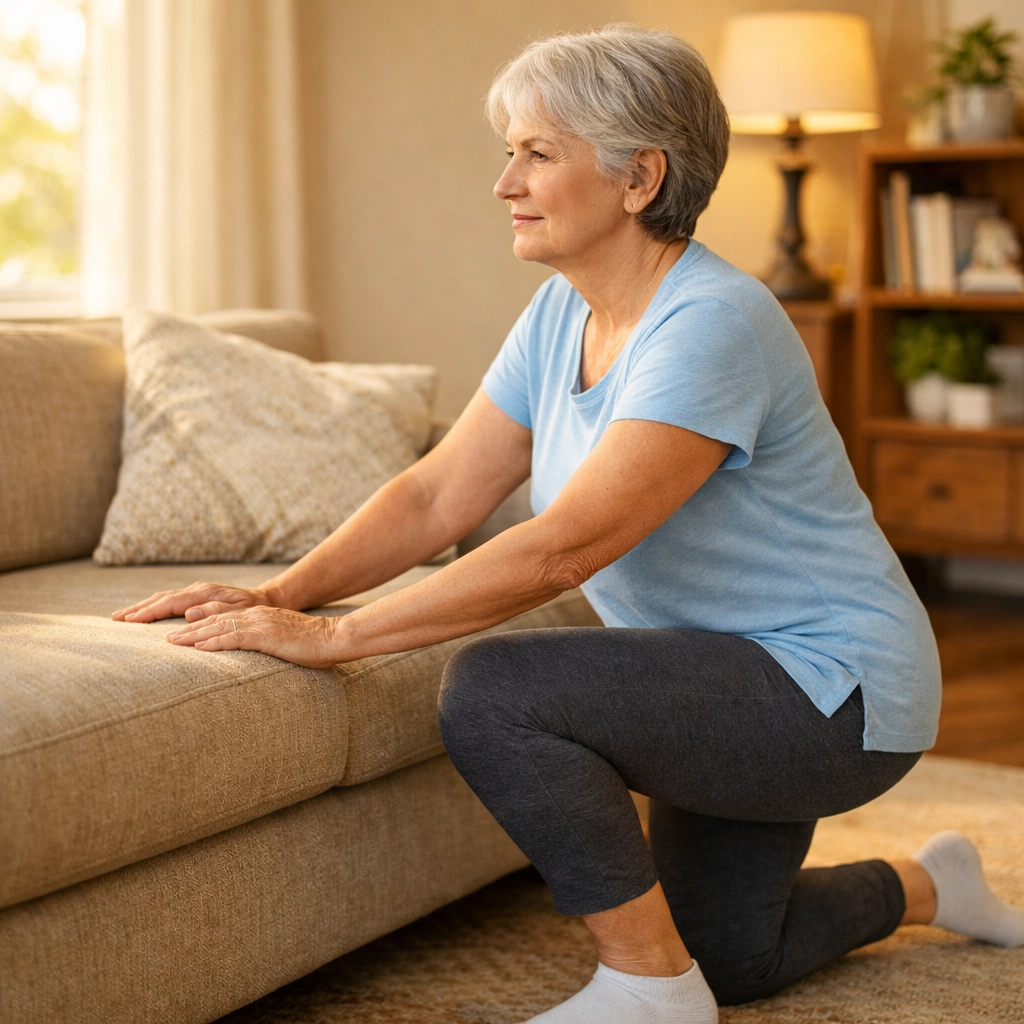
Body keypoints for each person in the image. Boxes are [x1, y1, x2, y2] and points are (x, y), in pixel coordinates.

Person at [114, 24, 1024, 1024]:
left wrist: (338, 638)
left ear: (640, 177)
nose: (504, 182)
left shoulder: (713, 321)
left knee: (497, 689)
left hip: (834, 689)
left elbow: (567, 546)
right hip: (719, 670)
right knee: (733, 954)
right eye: (510, 151)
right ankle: (928, 882)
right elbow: (437, 494)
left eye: (537, 153)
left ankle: (648, 988)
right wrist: (280, 595)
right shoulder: (561, 314)